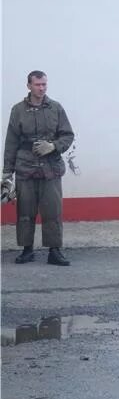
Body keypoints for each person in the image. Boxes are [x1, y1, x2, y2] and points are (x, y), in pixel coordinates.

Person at [2, 70, 75, 265]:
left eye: (44, 84)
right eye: (37, 85)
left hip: (50, 168)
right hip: (25, 167)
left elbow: (68, 135)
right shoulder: (18, 110)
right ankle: (27, 250)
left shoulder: (56, 108)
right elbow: (11, 142)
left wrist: (53, 147)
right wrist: (7, 172)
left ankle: (55, 250)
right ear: (29, 86)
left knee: (53, 211)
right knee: (25, 212)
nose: (41, 88)